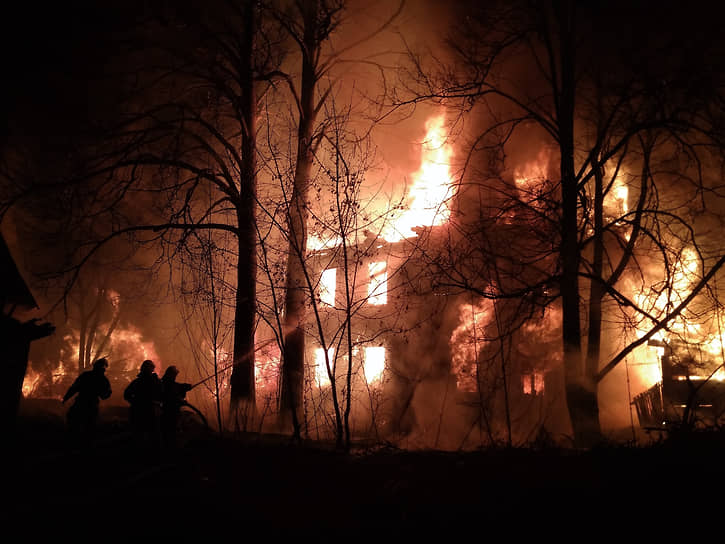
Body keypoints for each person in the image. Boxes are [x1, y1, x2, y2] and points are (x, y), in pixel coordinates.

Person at [62, 358, 112, 447]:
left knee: (75, 424)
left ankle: (72, 445)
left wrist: (66, 398)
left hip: (81, 404)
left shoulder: (86, 375)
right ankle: (83, 446)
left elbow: (74, 388)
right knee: (87, 428)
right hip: (90, 406)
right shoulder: (103, 379)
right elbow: (104, 396)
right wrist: (107, 392)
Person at [123, 359, 163, 450]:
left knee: (139, 436)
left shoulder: (137, 382)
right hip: (150, 413)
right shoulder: (156, 382)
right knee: (152, 436)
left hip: (139, 412)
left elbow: (127, 395)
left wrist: (135, 403)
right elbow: (163, 395)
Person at [160, 365, 193, 449]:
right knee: (171, 432)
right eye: (175, 374)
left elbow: (177, 387)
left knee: (169, 432)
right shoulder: (167, 384)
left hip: (168, 411)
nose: (175, 376)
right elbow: (173, 393)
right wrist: (181, 400)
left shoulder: (166, 382)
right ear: (171, 374)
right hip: (170, 412)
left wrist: (185, 387)